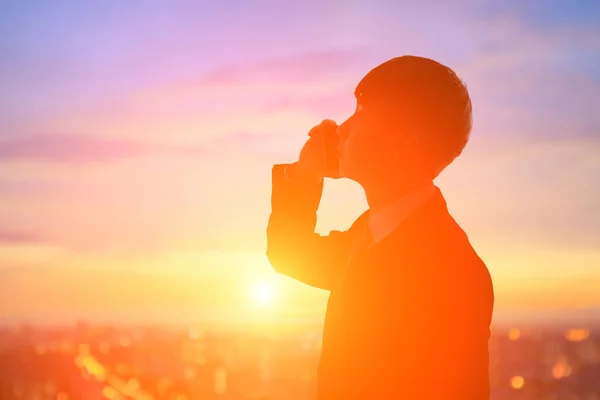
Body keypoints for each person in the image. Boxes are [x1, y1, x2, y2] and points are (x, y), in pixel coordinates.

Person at [266, 55, 494, 399]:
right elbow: (289, 253)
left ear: (402, 145)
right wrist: (303, 173)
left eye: (361, 114)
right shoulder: (371, 232)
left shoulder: (452, 272)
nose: (340, 128)